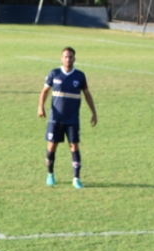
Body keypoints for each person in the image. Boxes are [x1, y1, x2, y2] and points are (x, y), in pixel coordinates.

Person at [38, 47, 97, 189]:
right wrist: (40, 106)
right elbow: (45, 91)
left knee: (74, 146)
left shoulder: (80, 76)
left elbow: (87, 94)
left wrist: (93, 112)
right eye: (65, 56)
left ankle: (76, 179)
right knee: (52, 146)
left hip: (72, 119)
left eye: (70, 57)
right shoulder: (54, 73)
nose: (68, 59)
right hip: (55, 119)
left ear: (74, 58)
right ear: (61, 58)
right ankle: (50, 175)